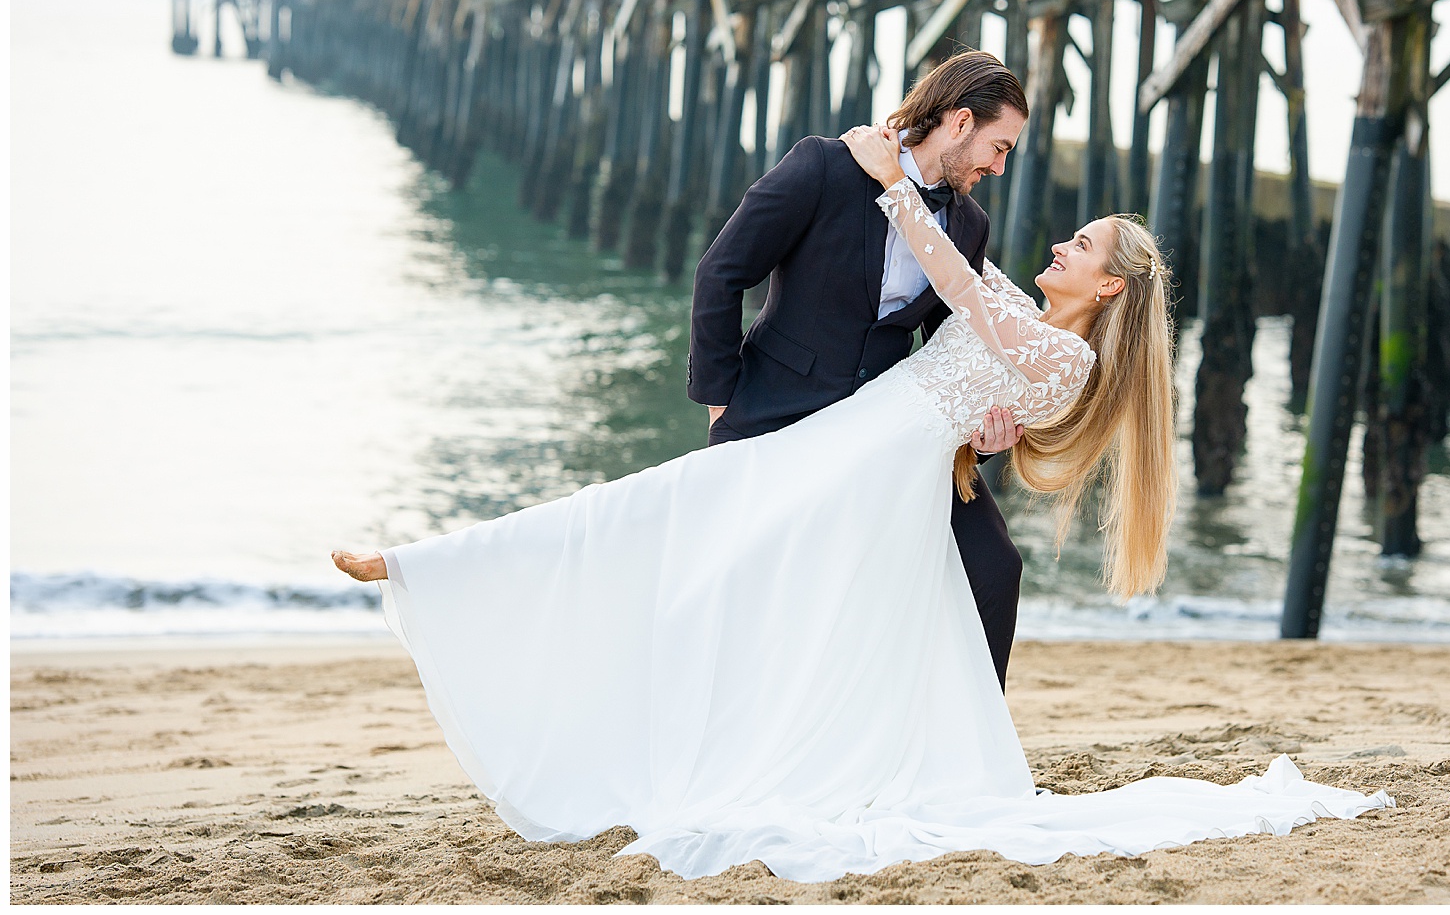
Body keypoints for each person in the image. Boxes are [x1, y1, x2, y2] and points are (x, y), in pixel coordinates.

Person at [331, 109, 1392, 883]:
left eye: (1083, 248)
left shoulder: (1061, 356)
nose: (1062, 243)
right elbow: (955, 339)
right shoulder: (1028, 315)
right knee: (683, 511)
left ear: (1106, 287)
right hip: (861, 440)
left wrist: (893, 183)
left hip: (882, 461)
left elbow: (962, 298)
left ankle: (431, 572)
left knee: (710, 527)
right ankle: (431, 566)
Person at [688, 51, 1031, 687]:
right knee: (761, 592)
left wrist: (979, 437)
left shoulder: (971, 225)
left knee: (992, 563)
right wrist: (719, 400)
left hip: (887, 430)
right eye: (999, 147)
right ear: (959, 123)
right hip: (775, 412)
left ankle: (969, 749)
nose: (999, 166)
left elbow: (954, 350)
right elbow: (722, 272)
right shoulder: (823, 167)